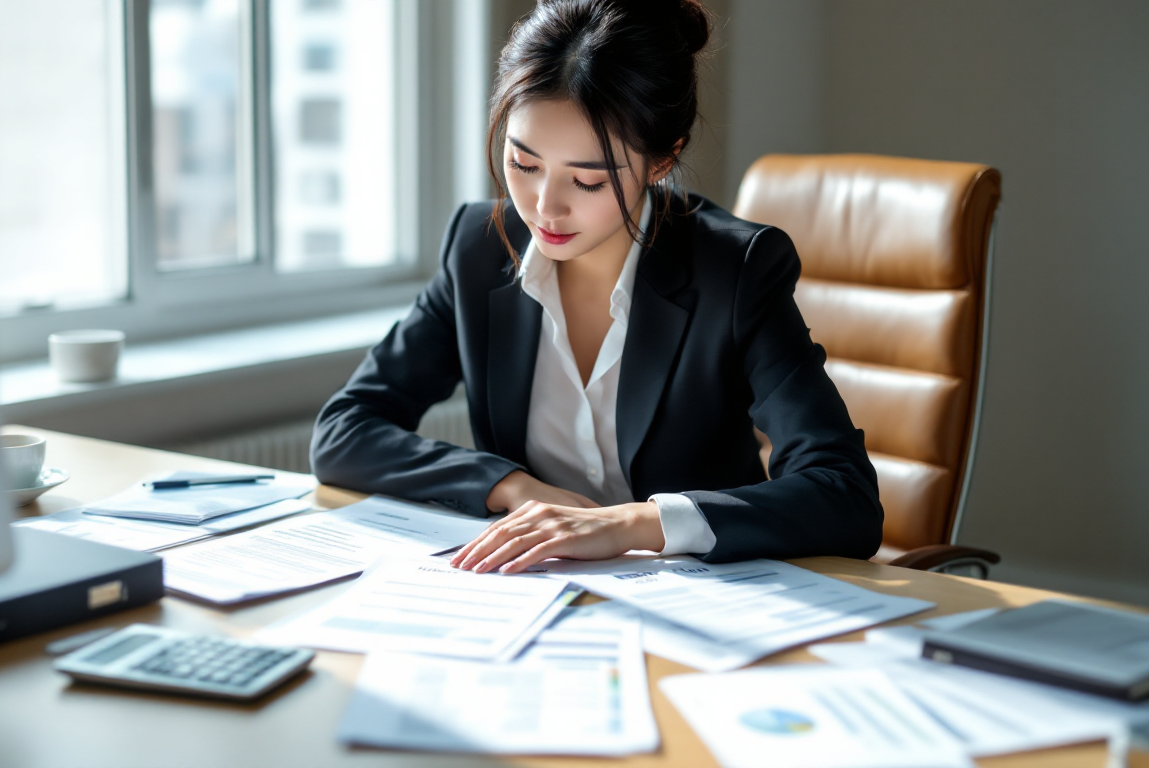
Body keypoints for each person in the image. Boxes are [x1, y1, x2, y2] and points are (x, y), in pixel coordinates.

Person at [311, 0, 882, 574]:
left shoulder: (733, 272)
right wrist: (510, 486)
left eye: (587, 180)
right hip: (534, 598)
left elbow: (844, 493)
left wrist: (629, 524)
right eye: (524, 164)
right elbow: (345, 431)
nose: (543, 208)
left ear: (662, 160)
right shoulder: (479, 250)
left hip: (705, 606)